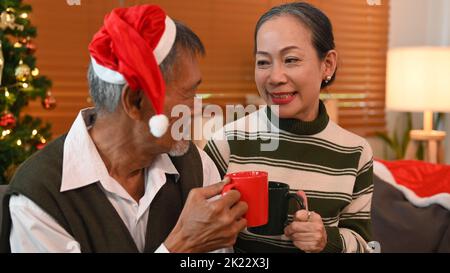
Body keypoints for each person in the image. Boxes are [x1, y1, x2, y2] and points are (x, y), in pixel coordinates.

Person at [0, 5, 248, 253]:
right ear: (134, 102)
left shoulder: (197, 167)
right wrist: (181, 246)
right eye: (188, 93)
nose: (197, 108)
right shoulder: (40, 198)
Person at [205, 2, 373, 253]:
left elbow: (365, 246)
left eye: (291, 59)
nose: (275, 77)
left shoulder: (355, 152)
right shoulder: (226, 142)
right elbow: (196, 236)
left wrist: (327, 239)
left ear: (327, 64)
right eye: (263, 62)